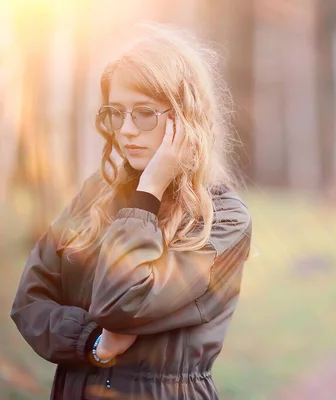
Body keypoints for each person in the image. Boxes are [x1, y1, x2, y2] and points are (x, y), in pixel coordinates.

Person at [10, 22, 252, 400]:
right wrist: (93, 342)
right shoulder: (96, 193)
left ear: (184, 117)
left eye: (143, 113)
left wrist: (148, 193)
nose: (126, 130)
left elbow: (122, 305)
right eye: (116, 113)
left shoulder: (223, 220)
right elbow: (29, 301)